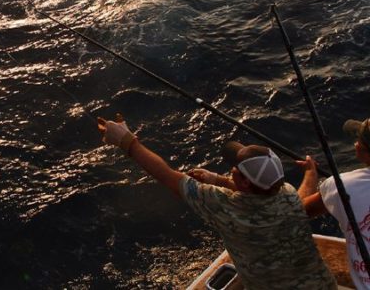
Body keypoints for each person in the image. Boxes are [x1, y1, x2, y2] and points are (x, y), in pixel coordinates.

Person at [98, 116, 337, 289]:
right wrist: (311, 172)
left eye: (236, 169)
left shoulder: (223, 206)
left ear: (245, 182)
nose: (232, 169)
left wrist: (127, 141)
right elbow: (300, 195)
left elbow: (167, 176)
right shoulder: (287, 194)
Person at [299, 118, 370, 289]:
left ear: (363, 150)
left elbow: (298, 211)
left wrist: (310, 175)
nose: (355, 144)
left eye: (359, 140)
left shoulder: (344, 186)